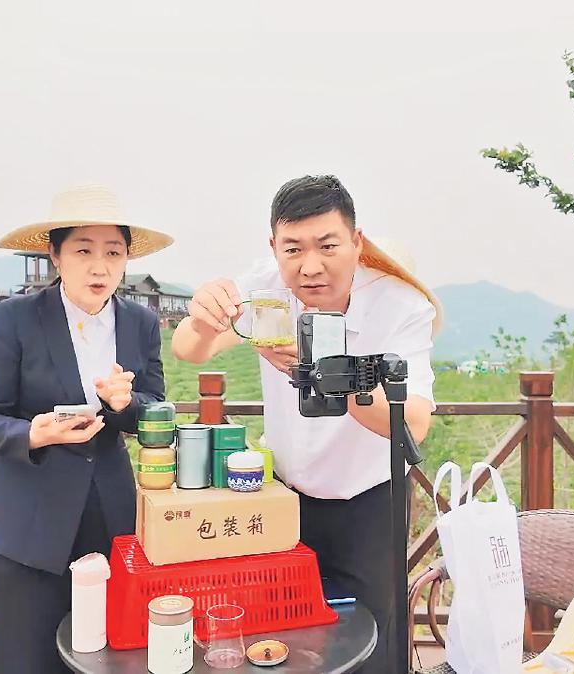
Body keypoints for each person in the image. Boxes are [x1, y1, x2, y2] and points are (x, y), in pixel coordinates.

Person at [171, 174, 442, 671]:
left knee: (370, 637)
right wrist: (203, 319)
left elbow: (414, 424)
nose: (310, 266)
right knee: (283, 632)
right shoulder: (266, 289)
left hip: (370, 500)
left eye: (328, 246)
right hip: (284, 496)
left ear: (357, 242)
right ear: (273, 247)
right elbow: (190, 349)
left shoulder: (399, 305)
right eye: (292, 249)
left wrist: (322, 370)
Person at [0, 184, 172, 674]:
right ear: (55, 255)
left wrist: (125, 405)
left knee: (112, 659)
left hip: (112, 523)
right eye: (83, 251)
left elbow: (154, 407)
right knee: (28, 662)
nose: (99, 267)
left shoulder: (139, 322)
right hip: (26, 531)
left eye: (113, 253)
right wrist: (33, 434)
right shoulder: (15, 318)